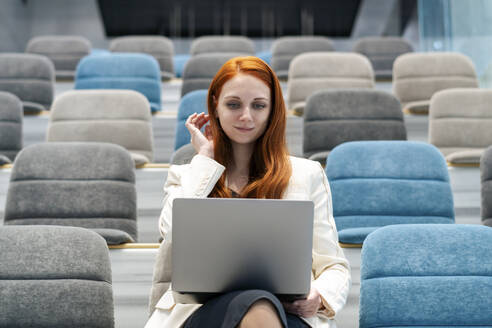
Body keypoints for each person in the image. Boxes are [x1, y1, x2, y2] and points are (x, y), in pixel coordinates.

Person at [146, 56, 351, 328]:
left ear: (272, 110)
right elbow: (171, 232)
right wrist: (206, 161)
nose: (246, 116)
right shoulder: (189, 175)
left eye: (258, 105)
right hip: (205, 313)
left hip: (288, 314)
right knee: (255, 303)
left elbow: (333, 265)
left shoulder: (307, 175)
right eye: (233, 105)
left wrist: (319, 296)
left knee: (259, 303)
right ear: (215, 106)